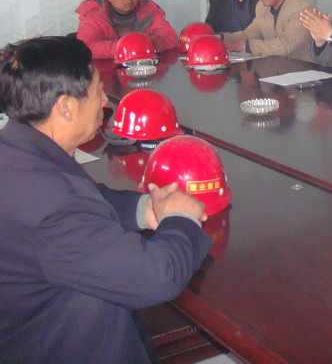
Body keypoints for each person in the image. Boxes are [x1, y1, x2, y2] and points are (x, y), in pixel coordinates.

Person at [0, 36, 211, 364]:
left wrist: (145, 209)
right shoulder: (51, 206)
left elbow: (87, 199)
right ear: (66, 107)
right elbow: (157, 278)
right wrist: (181, 219)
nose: (104, 101)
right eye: (98, 90)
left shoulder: (18, 148)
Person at [76, 0, 178, 59]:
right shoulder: (93, 13)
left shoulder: (148, 8)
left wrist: (150, 44)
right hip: (108, 68)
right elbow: (86, 48)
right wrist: (128, 47)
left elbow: (170, 36)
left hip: (145, 66)